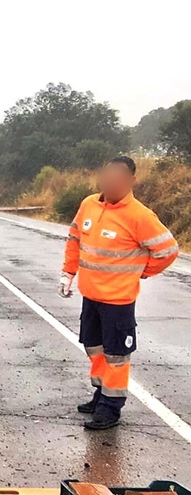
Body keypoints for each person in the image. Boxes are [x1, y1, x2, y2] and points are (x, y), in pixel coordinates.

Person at [59, 156, 180, 430]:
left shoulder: (139, 216)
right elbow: (75, 238)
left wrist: (141, 272)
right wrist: (68, 272)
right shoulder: (89, 204)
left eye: (118, 178)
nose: (111, 183)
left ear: (131, 181)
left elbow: (168, 250)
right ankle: (101, 395)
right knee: (94, 348)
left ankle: (111, 409)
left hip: (118, 301)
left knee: (116, 355)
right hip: (90, 295)